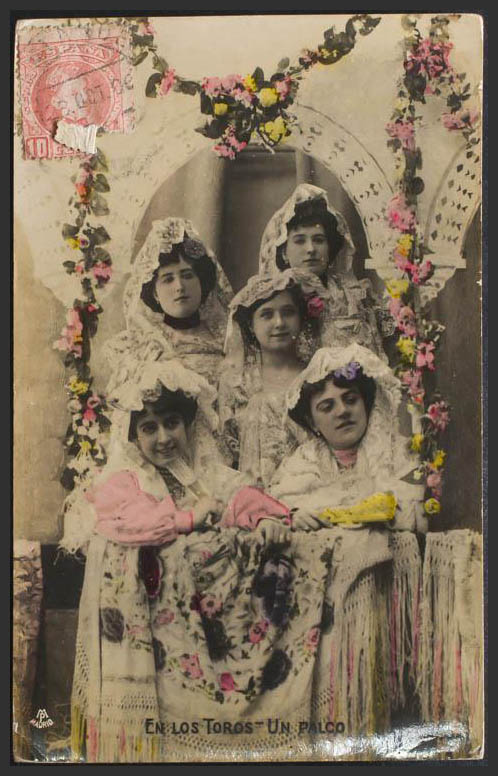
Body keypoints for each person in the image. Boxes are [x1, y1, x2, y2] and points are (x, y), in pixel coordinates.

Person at [268, 344, 426, 732]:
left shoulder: (391, 452)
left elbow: (410, 508)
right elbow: (283, 504)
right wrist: (298, 514)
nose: (342, 411)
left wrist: (348, 510)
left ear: (366, 403)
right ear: (312, 421)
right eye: (327, 406)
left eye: (350, 400)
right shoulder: (305, 461)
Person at [219, 268, 328, 484]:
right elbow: (225, 452)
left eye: (288, 312)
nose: (279, 323)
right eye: (267, 314)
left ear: (300, 318)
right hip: (251, 491)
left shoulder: (317, 375)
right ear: (251, 325)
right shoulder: (236, 383)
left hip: (310, 486)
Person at [105, 218, 233, 395]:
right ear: (155, 294)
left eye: (187, 275)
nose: (179, 286)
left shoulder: (228, 340)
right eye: (168, 279)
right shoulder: (139, 349)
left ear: (202, 282)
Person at [258, 183, 386, 358]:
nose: (311, 249)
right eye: (299, 241)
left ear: (329, 248)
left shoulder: (355, 296)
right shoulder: (270, 300)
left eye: (318, 240)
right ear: (283, 252)